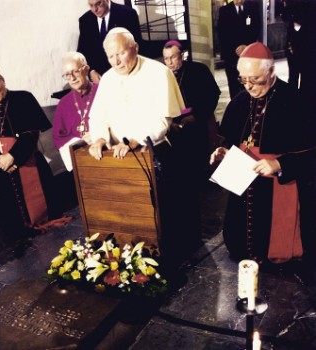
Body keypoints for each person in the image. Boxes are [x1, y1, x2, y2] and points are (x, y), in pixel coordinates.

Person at [87, 27, 188, 272]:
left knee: (163, 214)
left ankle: (167, 259)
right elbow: (98, 115)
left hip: (153, 154)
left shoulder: (158, 72)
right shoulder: (109, 78)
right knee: (127, 210)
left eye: (120, 54)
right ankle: (132, 252)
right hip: (118, 158)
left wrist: (134, 140)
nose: (116, 61)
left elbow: (163, 122)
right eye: (111, 57)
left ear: (135, 48)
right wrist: (99, 138)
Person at [209, 42, 314, 268]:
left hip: (279, 186)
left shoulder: (296, 102)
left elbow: (311, 152)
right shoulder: (239, 102)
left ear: (271, 71)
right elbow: (232, 137)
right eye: (243, 79)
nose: (249, 86)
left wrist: (279, 163)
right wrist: (225, 150)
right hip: (244, 183)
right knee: (241, 242)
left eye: (255, 79)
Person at [0, 66, 66, 244]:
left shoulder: (23, 98)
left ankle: (43, 218)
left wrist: (13, 156)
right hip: (2, 167)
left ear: (3, 81)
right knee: (13, 220)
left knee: (46, 205)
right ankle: (19, 228)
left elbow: (31, 134)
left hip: (28, 160)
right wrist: (0, 161)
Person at [162, 40, 221, 250]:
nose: (169, 62)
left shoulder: (198, 70)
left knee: (196, 168)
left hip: (196, 126)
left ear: (182, 55)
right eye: (166, 58)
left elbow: (213, 95)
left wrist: (195, 116)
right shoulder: (162, 76)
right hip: (173, 129)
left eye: (173, 57)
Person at [52, 51, 98, 172]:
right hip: (81, 164)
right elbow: (57, 138)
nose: (72, 78)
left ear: (86, 69)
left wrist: (97, 134)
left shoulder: (103, 91)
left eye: (75, 71)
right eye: (67, 74)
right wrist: (79, 141)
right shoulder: (63, 104)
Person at [77, 0, 142, 84]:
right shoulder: (85, 20)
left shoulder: (127, 14)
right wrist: (91, 71)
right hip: (100, 78)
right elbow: (82, 51)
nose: (95, 9)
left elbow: (137, 47)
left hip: (126, 73)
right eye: (91, 5)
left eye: (98, 4)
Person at [218, 0, 260, 99]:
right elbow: (222, 33)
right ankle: (235, 106)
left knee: (249, 81)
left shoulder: (252, 7)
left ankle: (250, 105)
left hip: (248, 52)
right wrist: (235, 48)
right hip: (231, 54)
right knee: (233, 83)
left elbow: (256, 28)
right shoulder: (224, 10)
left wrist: (246, 46)